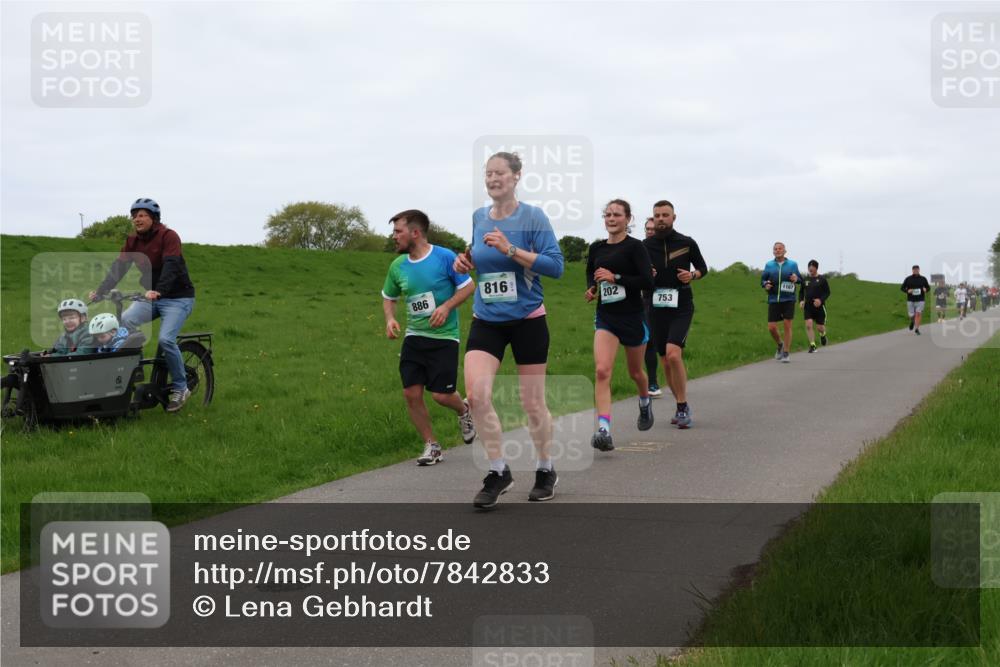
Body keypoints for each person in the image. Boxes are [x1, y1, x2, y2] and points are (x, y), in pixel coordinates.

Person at [454, 151, 564, 508]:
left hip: (528, 319)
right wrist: (465, 261)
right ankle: (498, 471)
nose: (492, 179)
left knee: (532, 403)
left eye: (499, 172)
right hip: (487, 319)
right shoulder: (478, 217)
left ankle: (545, 468)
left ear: (517, 176)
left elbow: (555, 266)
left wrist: (511, 248)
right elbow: (482, 263)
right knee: (477, 394)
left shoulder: (533, 217)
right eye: (487, 174)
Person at [381, 209, 477, 466]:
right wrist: (390, 319)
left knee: (441, 396)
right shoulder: (397, 266)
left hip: (444, 338)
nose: (394, 237)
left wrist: (446, 307)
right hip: (414, 337)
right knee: (411, 394)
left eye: (398, 231)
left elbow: (468, 286)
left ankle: (464, 410)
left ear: (415, 233)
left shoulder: (444, 257)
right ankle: (432, 445)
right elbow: (388, 296)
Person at [89, 198, 196, 412]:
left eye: (142, 215)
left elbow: (172, 265)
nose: (136, 219)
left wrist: (160, 290)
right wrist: (101, 292)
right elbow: (119, 268)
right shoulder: (133, 242)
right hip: (152, 297)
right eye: (134, 215)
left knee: (166, 339)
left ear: (153, 218)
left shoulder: (168, 236)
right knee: (126, 321)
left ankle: (181, 387)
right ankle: (134, 370)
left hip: (177, 297)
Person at [584, 199, 655, 452]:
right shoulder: (596, 249)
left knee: (636, 372)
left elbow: (647, 281)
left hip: (633, 317)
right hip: (606, 317)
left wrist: (616, 277)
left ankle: (645, 401)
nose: (611, 218)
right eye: (607, 214)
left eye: (616, 214)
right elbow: (591, 274)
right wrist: (592, 289)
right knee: (602, 371)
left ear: (628, 219)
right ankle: (604, 430)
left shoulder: (635, 248)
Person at [643, 200, 707, 429]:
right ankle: (679, 405)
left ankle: (682, 406)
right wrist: (645, 274)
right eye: (657, 215)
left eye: (665, 215)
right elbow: (635, 275)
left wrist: (694, 275)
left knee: (673, 355)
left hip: (681, 304)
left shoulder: (687, 242)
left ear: (673, 217)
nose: (661, 218)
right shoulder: (644, 246)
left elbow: (702, 268)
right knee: (665, 360)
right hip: (655, 305)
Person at [761, 242, 801, 362]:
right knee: (771, 327)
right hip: (774, 299)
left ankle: (786, 353)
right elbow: (763, 280)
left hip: (788, 299)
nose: (777, 250)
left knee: (787, 325)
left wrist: (796, 279)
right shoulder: (769, 265)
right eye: (775, 249)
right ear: (773, 251)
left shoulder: (792, 264)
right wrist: (765, 284)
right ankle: (780, 344)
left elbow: (800, 279)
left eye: (780, 249)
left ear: (785, 251)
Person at [641, 217, 662, 397]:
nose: (649, 231)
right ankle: (653, 383)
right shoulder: (639, 248)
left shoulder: (666, 248)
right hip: (646, 299)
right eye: (647, 229)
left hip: (666, 299)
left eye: (652, 229)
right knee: (649, 342)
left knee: (666, 343)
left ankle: (673, 372)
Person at [798, 260, 831, 353]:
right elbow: (801, 292)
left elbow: (827, 292)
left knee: (819, 327)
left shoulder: (822, 279)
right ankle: (813, 345)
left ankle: (823, 335)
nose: (810, 268)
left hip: (819, 307)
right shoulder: (805, 280)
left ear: (816, 268)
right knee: (808, 325)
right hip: (808, 306)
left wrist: (820, 300)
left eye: (812, 267)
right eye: (809, 266)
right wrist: (801, 301)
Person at [900, 265, 931, 335]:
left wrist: (926, 289)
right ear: (912, 270)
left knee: (918, 314)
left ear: (919, 270)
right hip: (910, 300)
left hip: (920, 300)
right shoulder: (908, 279)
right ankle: (912, 321)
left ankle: (917, 329)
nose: (916, 270)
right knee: (911, 315)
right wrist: (907, 291)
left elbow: (928, 288)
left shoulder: (923, 279)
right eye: (914, 269)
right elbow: (902, 288)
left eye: (917, 269)